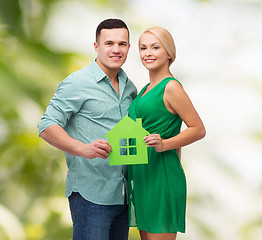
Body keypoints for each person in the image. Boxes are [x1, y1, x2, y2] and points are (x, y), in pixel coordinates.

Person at [37, 18, 137, 240]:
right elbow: (46, 125)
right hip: (90, 194)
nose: (116, 49)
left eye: (122, 44)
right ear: (96, 46)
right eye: (109, 43)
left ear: (129, 47)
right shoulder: (77, 82)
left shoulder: (130, 87)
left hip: (122, 194)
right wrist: (83, 149)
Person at [128, 26, 206, 240]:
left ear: (169, 53)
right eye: (143, 48)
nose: (148, 53)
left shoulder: (171, 87)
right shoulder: (144, 90)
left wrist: (164, 144)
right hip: (143, 177)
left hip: (162, 176)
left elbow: (198, 129)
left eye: (155, 47)